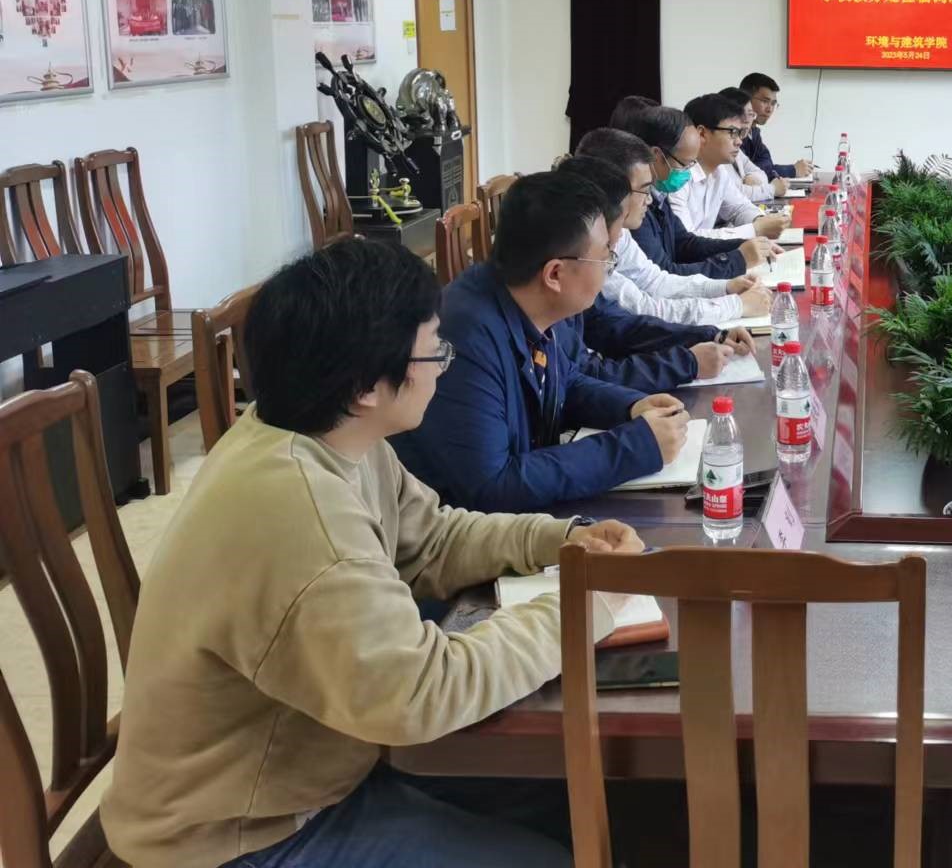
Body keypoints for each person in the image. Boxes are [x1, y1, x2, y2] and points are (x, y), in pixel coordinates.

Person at [100, 236, 643, 868]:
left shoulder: (327, 434)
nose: (444, 366)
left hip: (319, 771)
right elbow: (422, 693)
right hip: (241, 835)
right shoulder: (301, 514)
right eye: (434, 350)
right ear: (365, 385)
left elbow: (432, 537)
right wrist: (583, 607)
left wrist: (560, 538)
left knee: (590, 792)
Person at [391, 172, 693, 512]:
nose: (609, 267)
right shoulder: (466, 336)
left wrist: (632, 407)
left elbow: (565, 381)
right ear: (554, 274)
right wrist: (637, 446)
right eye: (605, 257)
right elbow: (491, 487)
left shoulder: (531, 301)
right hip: (453, 531)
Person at [576, 126, 772, 324]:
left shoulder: (621, 231)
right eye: (644, 190)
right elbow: (644, 308)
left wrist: (724, 287)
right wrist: (736, 305)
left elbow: (656, 280)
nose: (649, 201)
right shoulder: (586, 245)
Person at [626, 105, 780, 280]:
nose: (688, 173)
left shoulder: (658, 195)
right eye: (684, 164)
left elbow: (685, 242)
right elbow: (664, 275)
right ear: (657, 156)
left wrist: (744, 246)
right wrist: (737, 260)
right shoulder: (636, 206)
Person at [671, 93, 787, 240]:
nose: (739, 141)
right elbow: (686, 239)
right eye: (732, 132)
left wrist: (760, 220)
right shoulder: (676, 178)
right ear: (702, 134)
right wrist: (754, 229)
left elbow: (739, 208)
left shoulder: (718, 171)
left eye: (740, 133)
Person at [718, 85, 790, 199]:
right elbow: (734, 194)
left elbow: (763, 169)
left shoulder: (752, 134)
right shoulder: (719, 149)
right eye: (743, 114)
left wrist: (750, 177)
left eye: (751, 114)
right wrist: (772, 189)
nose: (748, 120)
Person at [740, 70, 813, 179]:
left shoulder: (754, 132)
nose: (769, 109)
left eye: (773, 103)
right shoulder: (734, 133)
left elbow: (766, 163)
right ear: (746, 99)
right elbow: (747, 172)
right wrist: (792, 170)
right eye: (765, 101)